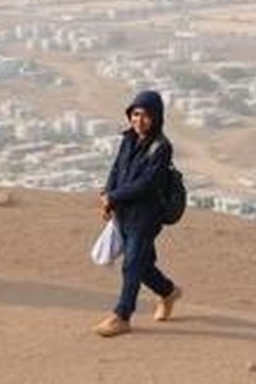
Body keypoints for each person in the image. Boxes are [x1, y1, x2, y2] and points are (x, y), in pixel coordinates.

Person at [94, 90, 183, 337]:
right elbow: (117, 169)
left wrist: (114, 197)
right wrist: (108, 196)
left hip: (146, 216)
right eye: (135, 114)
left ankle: (122, 316)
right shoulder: (128, 139)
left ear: (156, 117)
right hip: (124, 213)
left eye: (145, 115)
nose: (139, 120)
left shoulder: (161, 147)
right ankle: (168, 292)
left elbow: (147, 183)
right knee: (142, 266)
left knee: (131, 263)